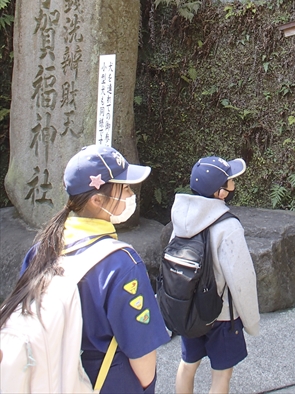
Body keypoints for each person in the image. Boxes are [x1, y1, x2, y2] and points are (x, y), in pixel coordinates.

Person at [0, 144, 170, 393]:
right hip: (108, 383)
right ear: (97, 200)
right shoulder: (121, 262)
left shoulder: (41, 250)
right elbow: (142, 353)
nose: (130, 193)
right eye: (123, 188)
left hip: (50, 378)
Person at [172, 156, 260, 394]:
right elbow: (241, 279)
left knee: (187, 365)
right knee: (221, 376)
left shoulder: (180, 219)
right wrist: (252, 322)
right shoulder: (228, 226)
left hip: (190, 310)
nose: (233, 186)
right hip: (220, 314)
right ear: (220, 193)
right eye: (230, 182)